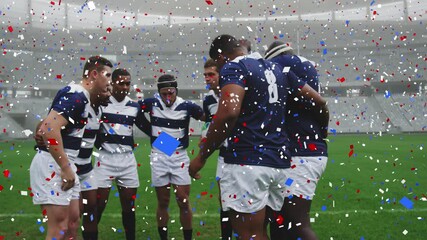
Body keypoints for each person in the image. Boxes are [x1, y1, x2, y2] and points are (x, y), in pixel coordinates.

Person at [189, 34, 328, 239]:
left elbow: (228, 113)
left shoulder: (235, 67)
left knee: (251, 234)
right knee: (266, 230)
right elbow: (319, 101)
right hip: (277, 162)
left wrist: (201, 157)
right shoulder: (277, 69)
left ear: (221, 57)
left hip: (247, 161)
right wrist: (322, 133)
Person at [30, 56, 112, 240]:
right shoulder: (77, 95)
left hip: (67, 163)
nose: (109, 82)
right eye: (107, 76)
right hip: (55, 164)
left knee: (72, 224)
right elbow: (48, 128)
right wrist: (66, 168)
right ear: (93, 74)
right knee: (59, 226)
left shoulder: (83, 97)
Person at [265, 41, 329, 240]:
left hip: (300, 153)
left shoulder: (279, 67)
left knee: (296, 220)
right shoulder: (305, 64)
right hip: (303, 150)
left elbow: (319, 101)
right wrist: (323, 128)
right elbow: (317, 103)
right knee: (280, 218)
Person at [138, 74, 204, 240]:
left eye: (171, 93)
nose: (168, 97)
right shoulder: (151, 104)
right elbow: (134, 114)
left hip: (179, 157)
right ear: (158, 92)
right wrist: (157, 138)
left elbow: (208, 119)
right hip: (158, 156)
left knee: (183, 199)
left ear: (176, 91)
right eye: (164, 94)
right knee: (163, 201)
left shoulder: (187, 106)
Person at [94, 68, 150, 240]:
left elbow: (148, 129)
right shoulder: (101, 103)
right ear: (113, 83)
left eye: (128, 83)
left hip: (127, 160)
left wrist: (174, 148)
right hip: (105, 159)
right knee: (98, 205)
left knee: (129, 205)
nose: (125, 87)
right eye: (122, 83)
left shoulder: (134, 106)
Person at [202, 59, 233, 240]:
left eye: (211, 74)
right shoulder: (207, 100)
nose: (207, 78)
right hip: (224, 156)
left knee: (244, 201)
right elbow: (208, 123)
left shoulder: (235, 93)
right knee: (225, 200)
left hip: (243, 154)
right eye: (205, 75)